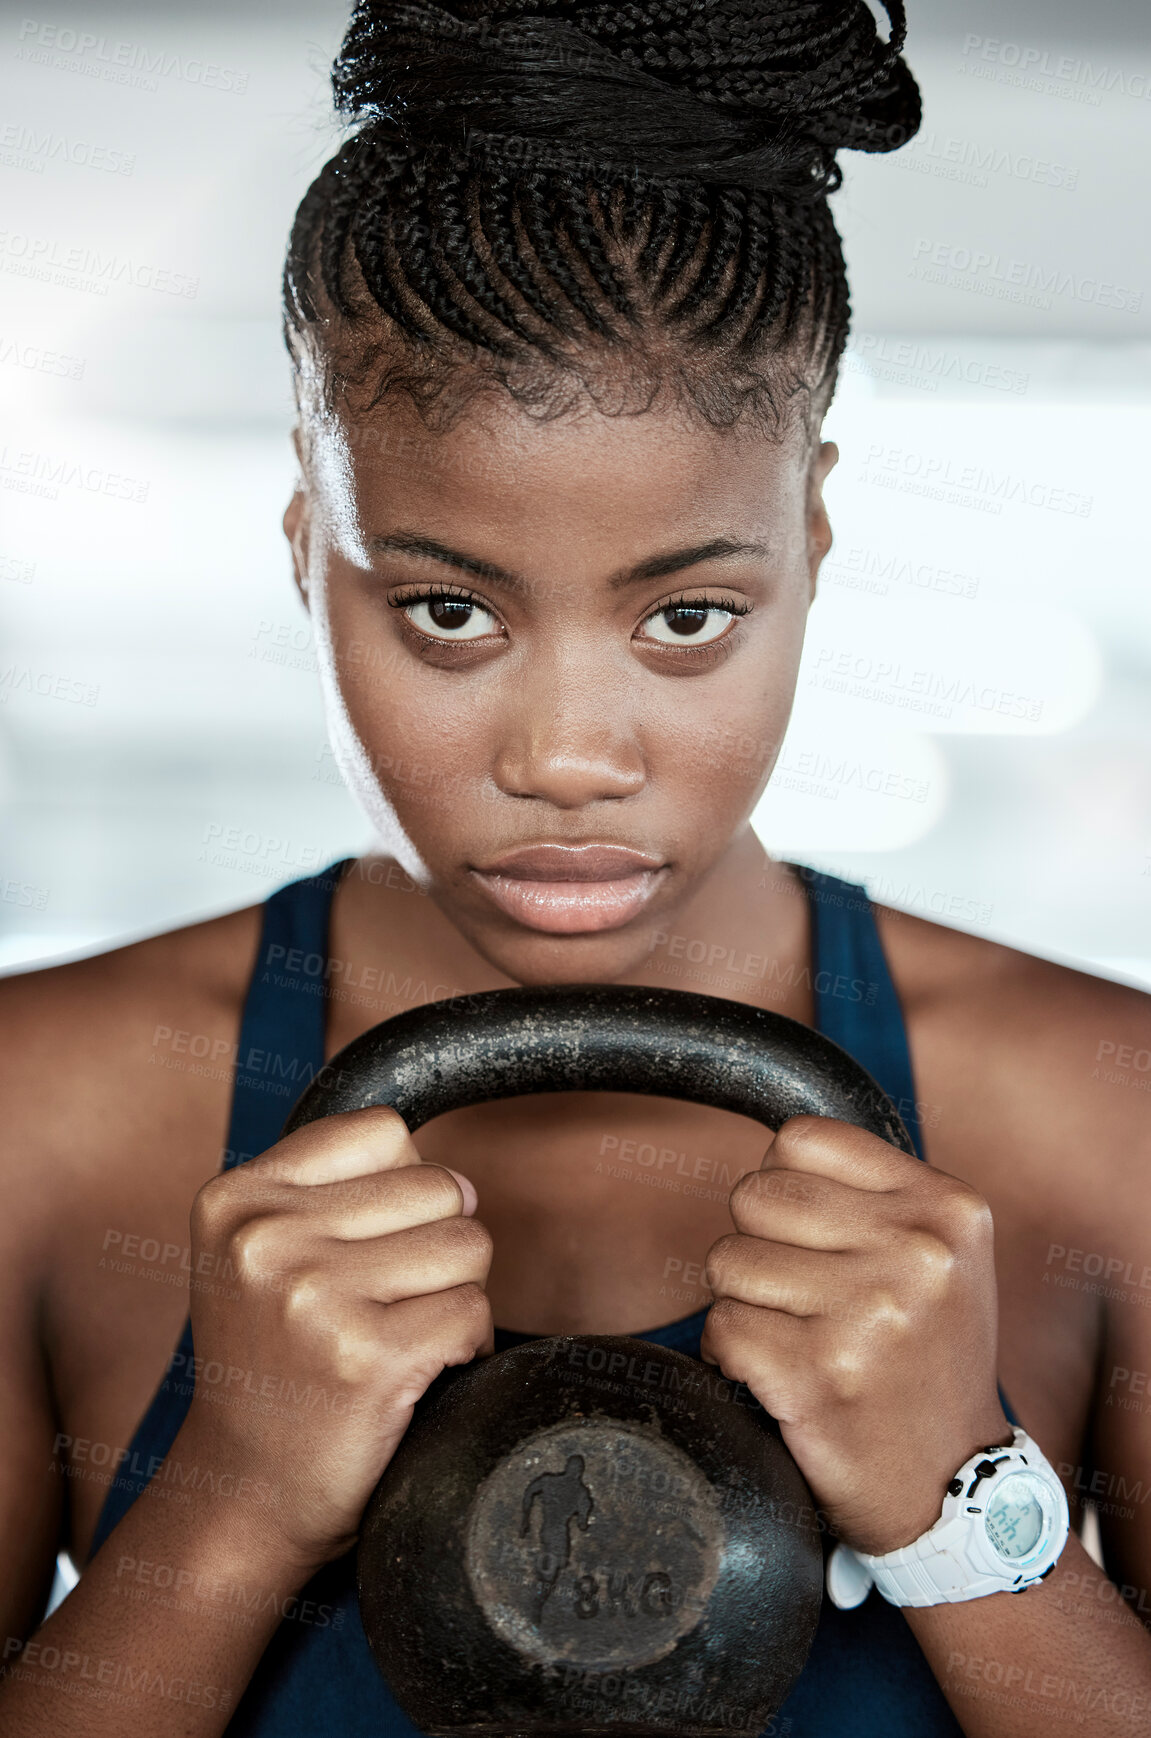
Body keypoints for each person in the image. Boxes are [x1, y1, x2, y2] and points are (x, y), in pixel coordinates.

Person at [1, 0, 1149, 1733]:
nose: (567, 757)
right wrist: (230, 1501)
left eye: (690, 617)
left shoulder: (1107, 1115)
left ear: (812, 544)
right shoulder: (40, 1111)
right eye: (447, 611)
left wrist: (964, 1509)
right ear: (313, 543)